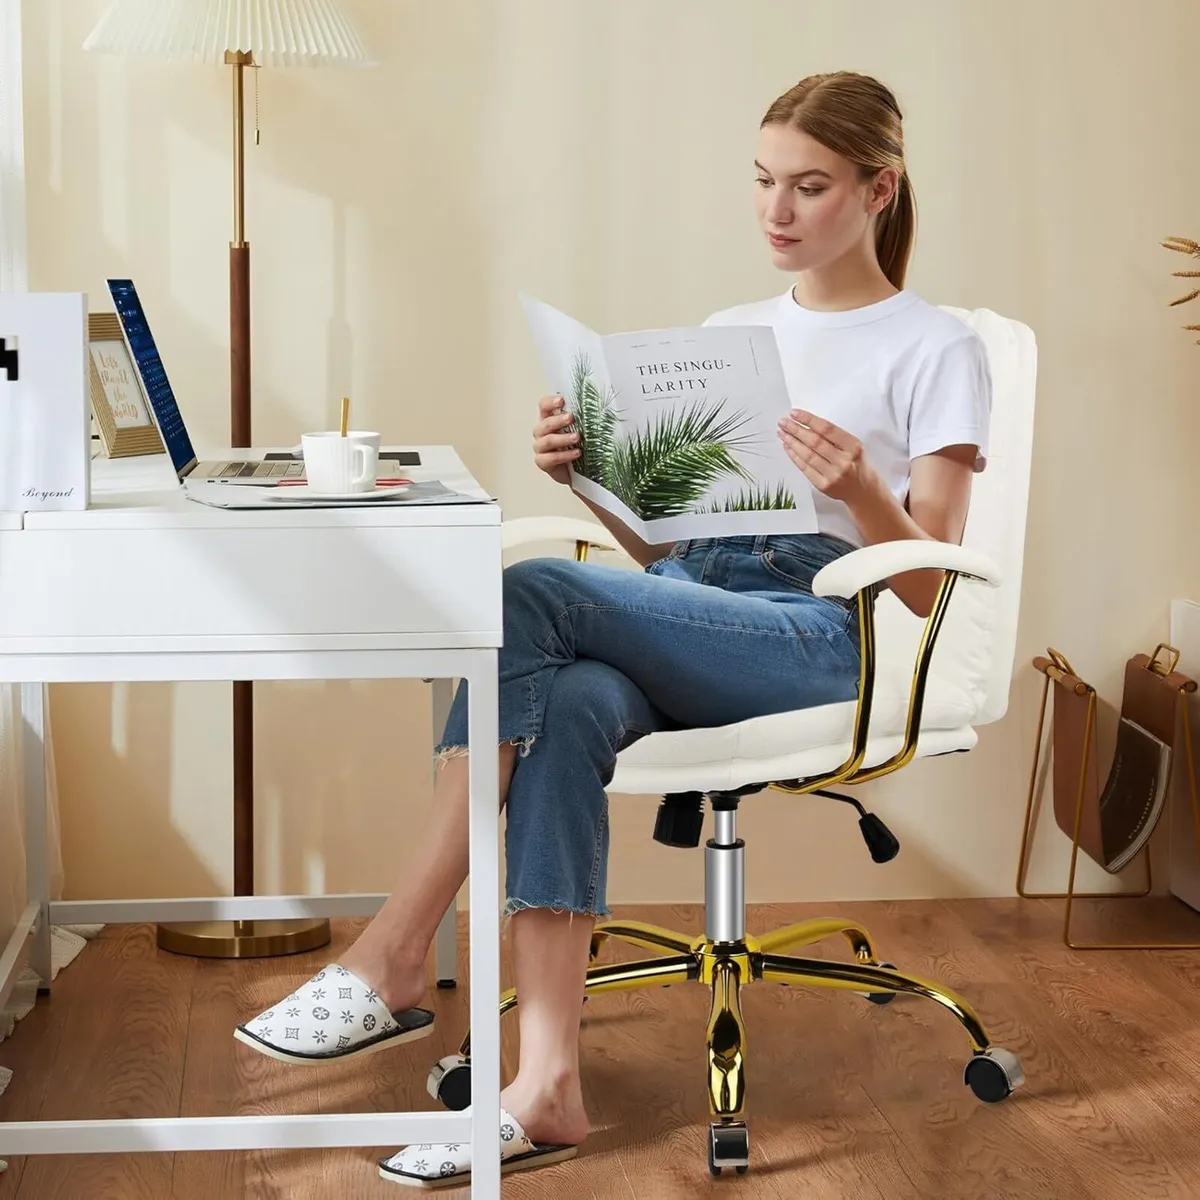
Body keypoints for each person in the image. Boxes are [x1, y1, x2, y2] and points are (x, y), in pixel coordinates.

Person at [234, 69, 992, 1189]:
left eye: (811, 186)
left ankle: (396, 953)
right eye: (763, 182)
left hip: (831, 630)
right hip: (706, 605)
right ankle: (546, 1087)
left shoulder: (937, 346)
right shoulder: (736, 333)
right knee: (574, 701)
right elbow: (664, 566)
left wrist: (861, 489)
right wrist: (595, 486)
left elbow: (930, 586)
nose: (777, 211)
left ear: (880, 189)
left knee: (535, 592)